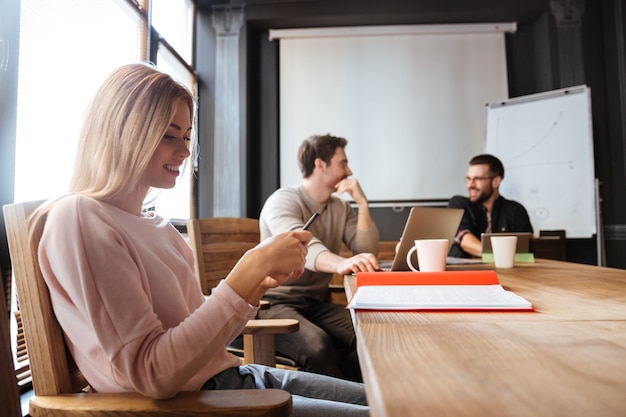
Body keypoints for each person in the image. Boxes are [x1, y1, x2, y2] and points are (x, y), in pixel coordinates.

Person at [31, 63, 369, 416]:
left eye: (187, 136)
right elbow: (153, 375)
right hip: (199, 402)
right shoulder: (80, 217)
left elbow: (204, 339)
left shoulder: (157, 227)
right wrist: (247, 271)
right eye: (168, 135)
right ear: (123, 132)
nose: (185, 150)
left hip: (234, 378)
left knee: (397, 400)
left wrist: (254, 285)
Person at [258, 134, 380, 381]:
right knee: (319, 346)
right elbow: (301, 247)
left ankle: (354, 394)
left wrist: (363, 204)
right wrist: (341, 263)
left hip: (314, 303)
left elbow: (366, 248)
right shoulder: (283, 200)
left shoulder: (340, 208)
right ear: (320, 164)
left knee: (374, 332)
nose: (349, 170)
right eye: (343, 163)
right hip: (273, 303)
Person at [448, 154, 533, 258]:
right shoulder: (459, 204)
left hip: (506, 272)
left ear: (496, 181)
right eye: (469, 179)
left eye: (477, 179)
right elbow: (464, 239)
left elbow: (526, 253)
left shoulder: (516, 211)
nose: (470, 185)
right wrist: (502, 257)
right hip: (465, 271)